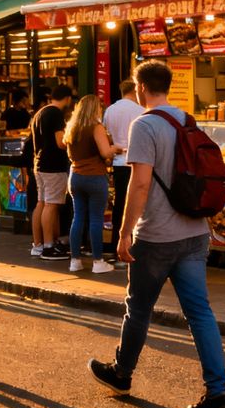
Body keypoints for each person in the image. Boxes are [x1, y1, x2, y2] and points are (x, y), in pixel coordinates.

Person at [87, 60, 225, 408]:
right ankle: (218, 393)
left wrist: (123, 234)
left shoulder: (145, 124)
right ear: (167, 86)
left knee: (138, 309)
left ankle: (122, 374)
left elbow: (139, 184)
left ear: (140, 88)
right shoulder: (187, 120)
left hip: (155, 236)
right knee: (200, 313)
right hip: (195, 233)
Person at [65, 95, 121, 274]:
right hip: (95, 177)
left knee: (78, 217)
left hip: (76, 177)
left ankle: (75, 260)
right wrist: (116, 148)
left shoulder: (72, 128)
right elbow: (105, 152)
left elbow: (70, 155)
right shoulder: (96, 127)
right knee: (96, 219)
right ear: (94, 109)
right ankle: (98, 261)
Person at [30, 85, 73, 261]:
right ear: (68, 98)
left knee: (41, 203)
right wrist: (71, 139)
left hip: (39, 163)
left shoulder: (41, 112)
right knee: (51, 205)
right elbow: (60, 143)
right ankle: (49, 246)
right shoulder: (56, 114)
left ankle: (38, 245)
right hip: (53, 165)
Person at [103, 80, 143, 259]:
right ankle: (134, 246)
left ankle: (114, 246)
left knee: (119, 205)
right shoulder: (140, 110)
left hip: (118, 163)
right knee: (137, 206)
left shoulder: (110, 110)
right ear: (135, 90)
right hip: (136, 163)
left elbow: (107, 136)